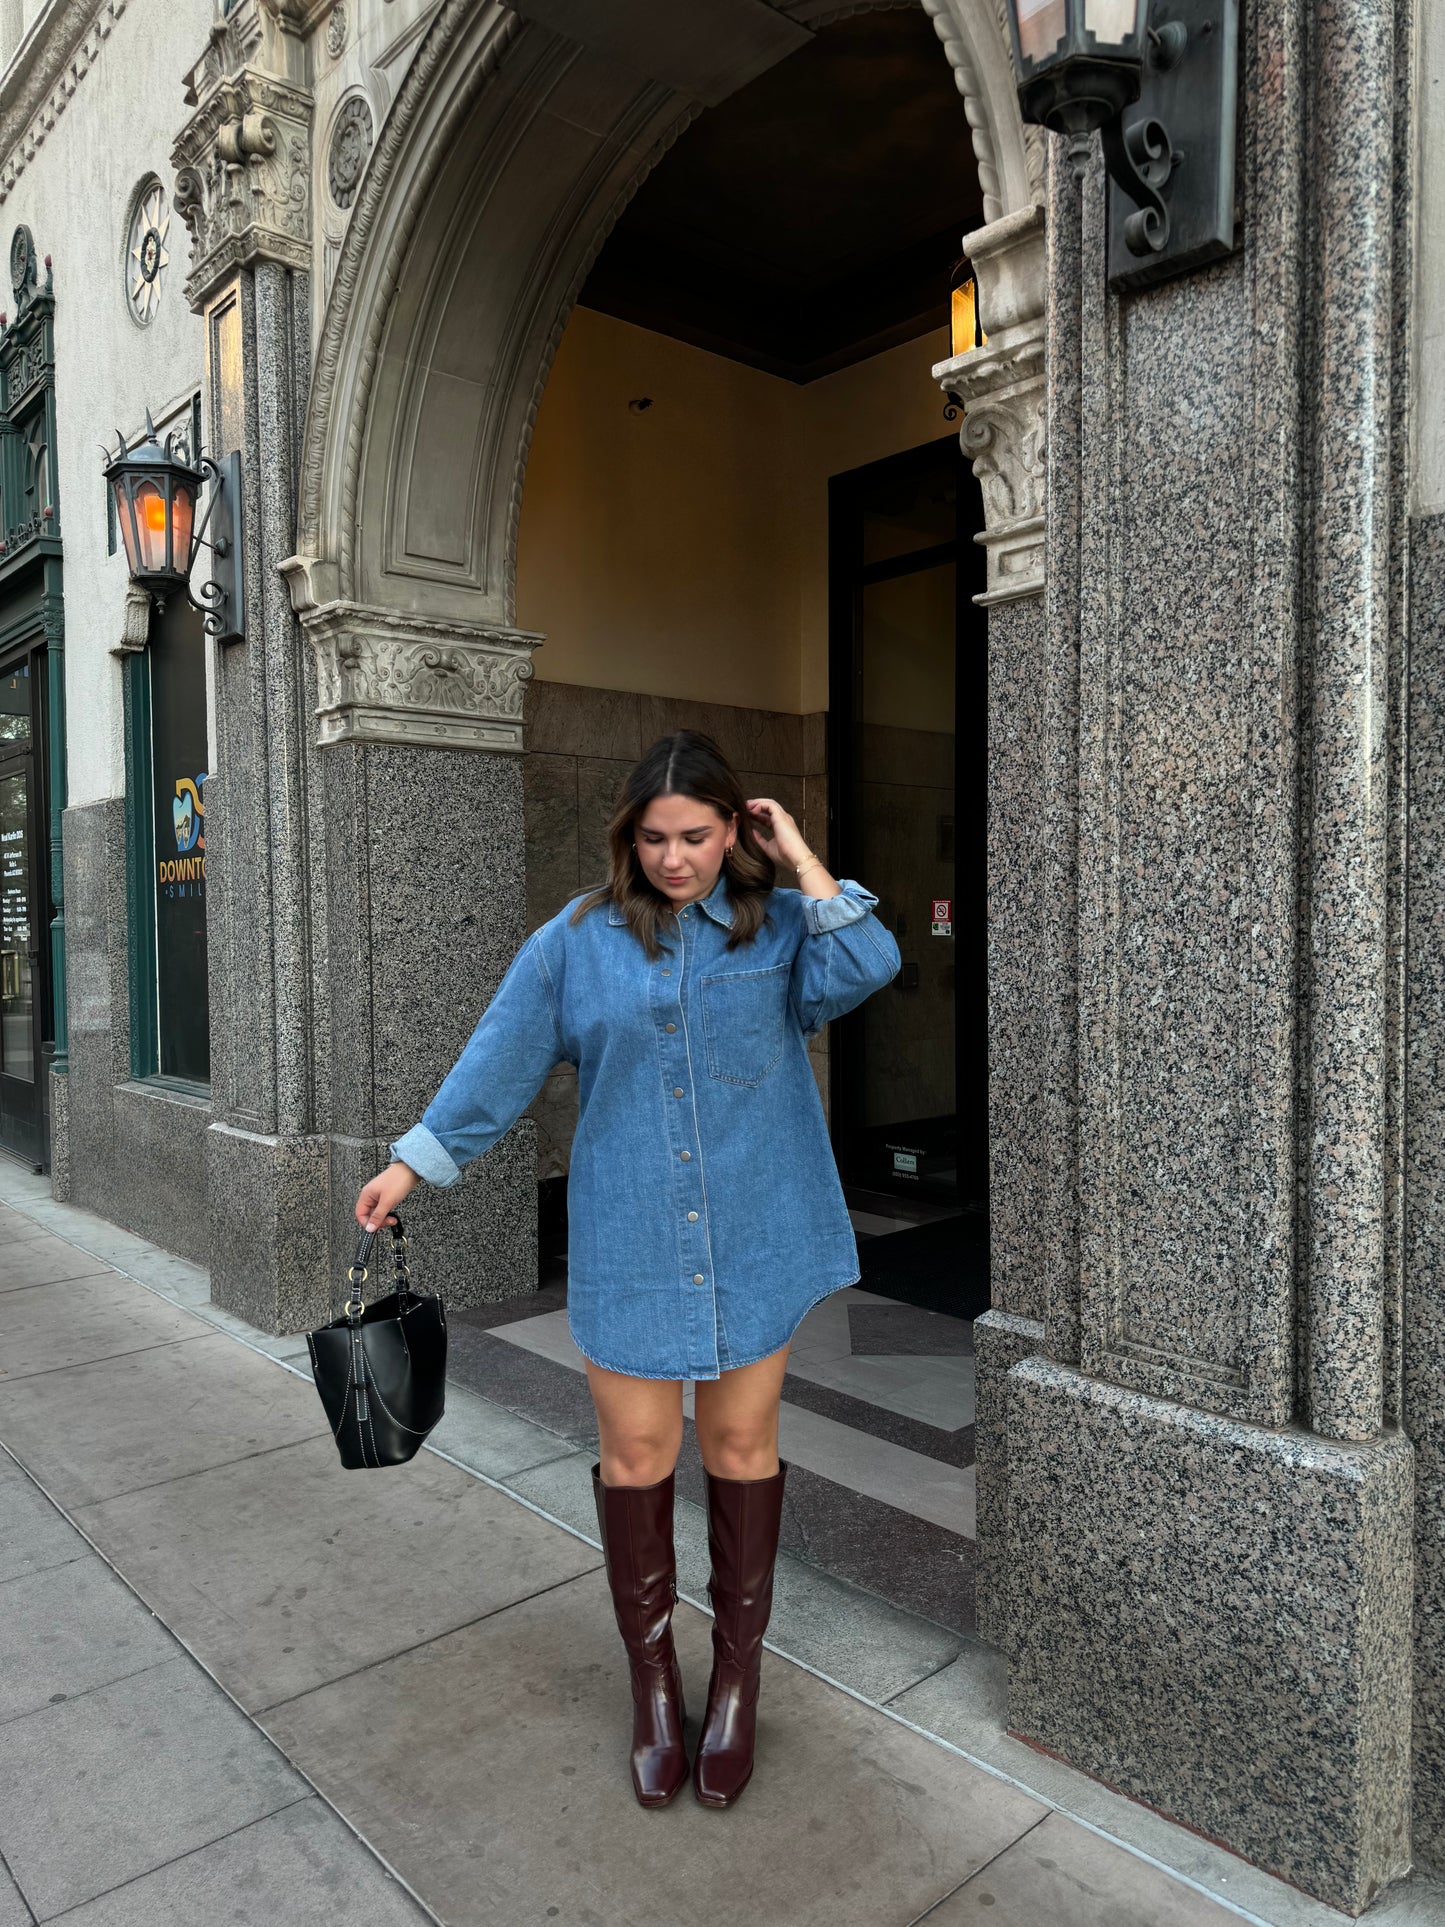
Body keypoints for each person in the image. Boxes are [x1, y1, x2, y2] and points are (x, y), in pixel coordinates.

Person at [355, 729, 900, 1810]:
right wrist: (412, 1163)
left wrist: (792, 849)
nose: (673, 857)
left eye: (695, 834)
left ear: (730, 825)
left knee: (742, 1445)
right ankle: (655, 1682)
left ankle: (736, 1680)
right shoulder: (575, 941)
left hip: (754, 1234)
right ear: (626, 836)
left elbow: (868, 962)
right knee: (637, 1452)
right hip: (633, 1237)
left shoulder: (782, 925)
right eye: (653, 837)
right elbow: (498, 1056)